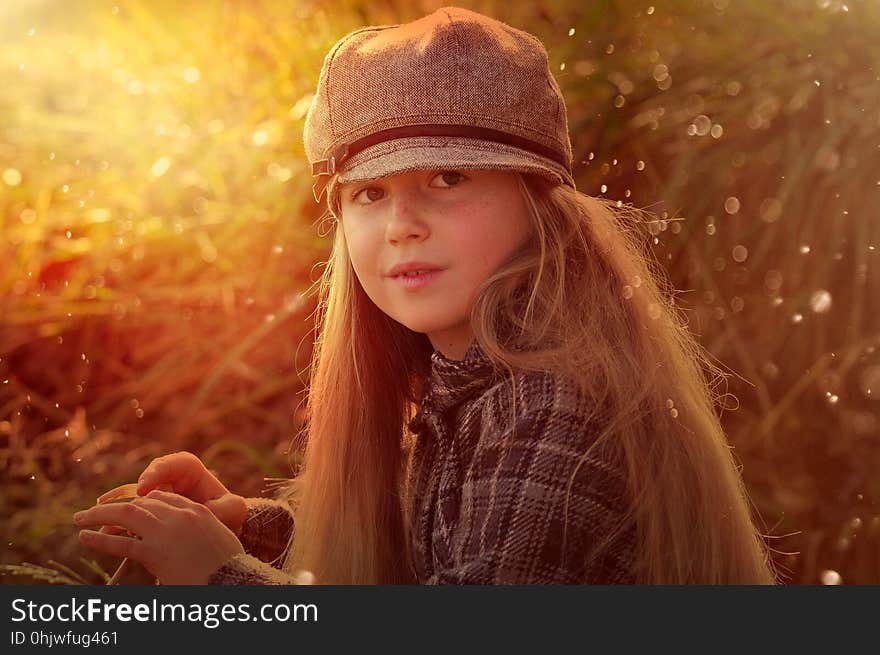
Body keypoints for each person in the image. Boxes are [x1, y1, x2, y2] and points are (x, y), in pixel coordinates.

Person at [73, 6, 779, 585]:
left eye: (447, 179)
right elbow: (437, 549)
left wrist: (222, 579)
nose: (402, 226)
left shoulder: (549, 405)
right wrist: (245, 527)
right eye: (370, 193)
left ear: (538, 203)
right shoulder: (467, 379)